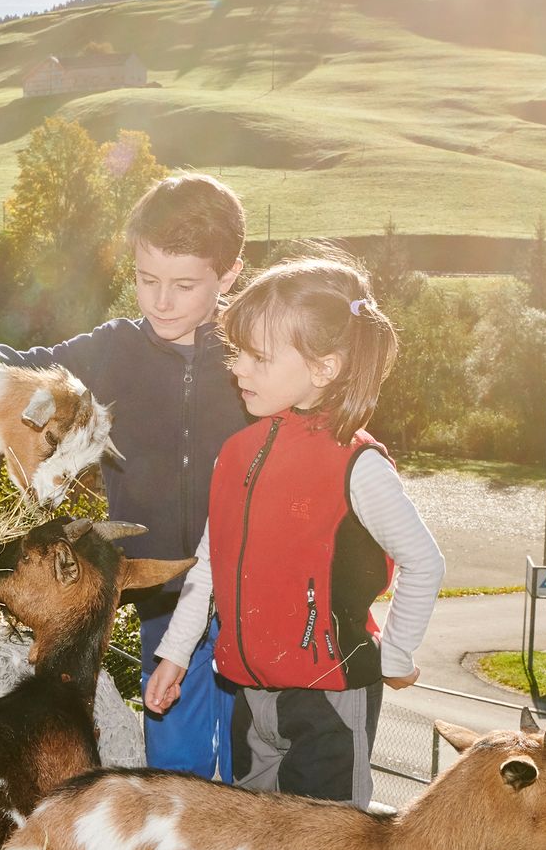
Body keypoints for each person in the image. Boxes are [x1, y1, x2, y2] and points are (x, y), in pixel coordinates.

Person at [0, 174, 249, 779]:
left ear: (230, 277)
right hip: (163, 595)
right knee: (175, 775)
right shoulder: (114, 349)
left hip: (253, 597)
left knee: (257, 770)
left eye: (184, 285)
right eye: (146, 280)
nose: (160, 301)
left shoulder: (257, 354)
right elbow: (26, 368)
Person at [149, 254, 443, 808]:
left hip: (330, 696)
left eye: (259, 357)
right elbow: (210, 563)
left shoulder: (359, 465)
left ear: (324, 368)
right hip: (247, 695)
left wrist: (397, 657)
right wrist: (176, 653)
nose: (238, 369)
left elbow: (425, 562)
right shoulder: (236, 453)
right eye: (239, 354)